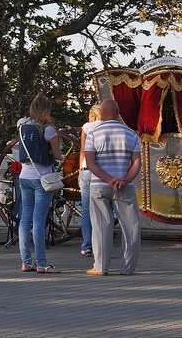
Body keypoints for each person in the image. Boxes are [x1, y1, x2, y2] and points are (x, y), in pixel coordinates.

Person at [84, 99, 142, 276]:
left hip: (99, 185)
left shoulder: (94, 133)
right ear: (118, 112)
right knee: (131, 227)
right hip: (125, 185)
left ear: (101, 113)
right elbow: (137, 162)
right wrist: (123, 180)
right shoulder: (131, 134)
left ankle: (101, 267)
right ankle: (127, 268)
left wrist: (109, 180)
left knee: (101, 225)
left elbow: (90, 163)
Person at [17, 93, 63, 274]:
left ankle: (26, 262)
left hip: (24, 176)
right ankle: (42, 263)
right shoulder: (48, 129)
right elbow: (58, 155)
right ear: (47, 110)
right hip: (42, 178)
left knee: (25, 219)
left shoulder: (21, 126)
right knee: (38, 220)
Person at [78, 104, 103, 257]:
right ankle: (101, 245)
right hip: (101, 171)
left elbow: (82, 150)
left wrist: (80, 171)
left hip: (87, 170)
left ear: (93, 116)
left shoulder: (87, 127)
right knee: (102, 210)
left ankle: (86, 246)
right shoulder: (108, 127)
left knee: (86, 211)